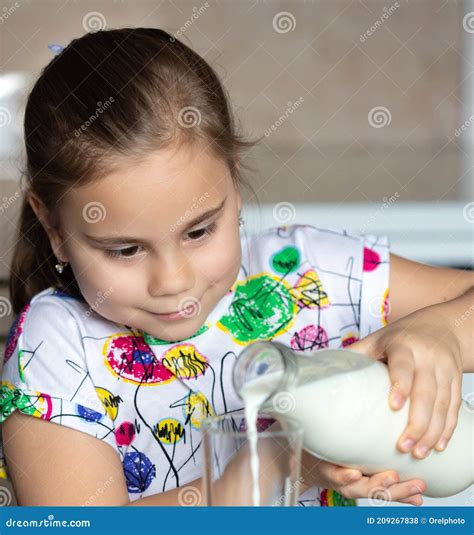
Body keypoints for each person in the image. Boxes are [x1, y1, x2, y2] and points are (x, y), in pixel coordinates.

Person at [0, 28, 472, 507]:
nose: (174, 281)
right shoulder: (55, 350)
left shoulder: (309, 276)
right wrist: (282, 462)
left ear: (235, 183)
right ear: (53, 226)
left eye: (199, 231)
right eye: (125, 250)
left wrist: (444, 331)